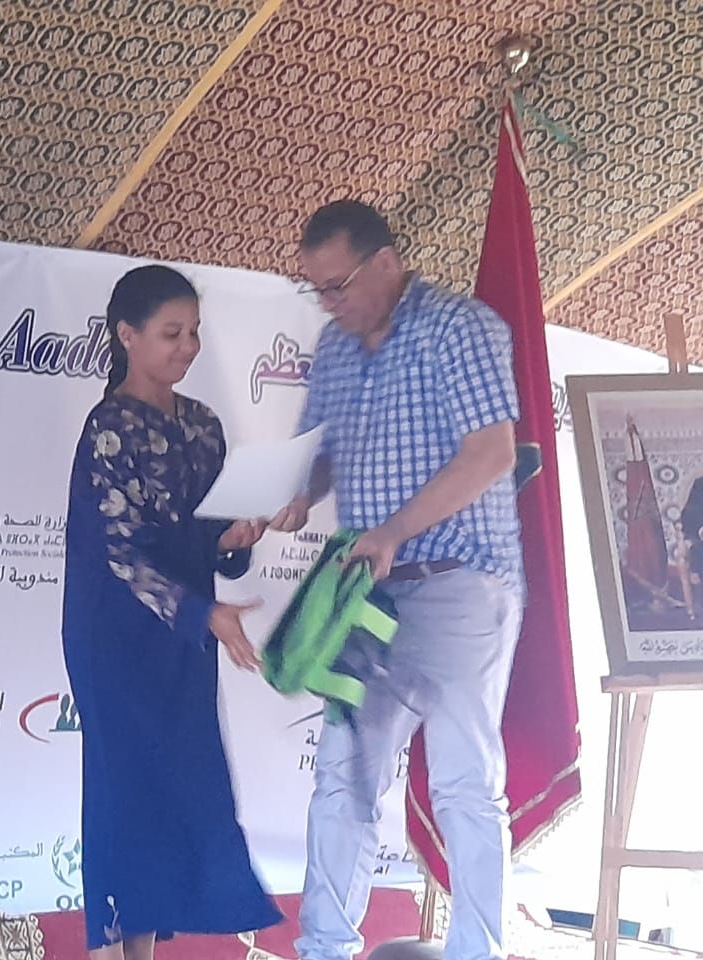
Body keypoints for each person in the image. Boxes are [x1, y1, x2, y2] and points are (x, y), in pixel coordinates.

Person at [270, 200, 523, 960]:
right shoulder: (334, 348)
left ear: (386, 262)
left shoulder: (459, 328)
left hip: (458, 583)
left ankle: (477, 951)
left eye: (339, 284)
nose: (328, 302)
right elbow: (319, 455)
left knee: (463, 783)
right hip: (367, 593)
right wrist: (292, 496)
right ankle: (324, 948)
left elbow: (491, 454)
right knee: (343, 775)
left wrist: (393, 531)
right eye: (315, 288)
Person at [62, 264, 283, 959]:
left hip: (187, 635)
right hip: (117, 638)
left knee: (184, 789)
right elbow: (119, 551)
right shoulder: (109, 426)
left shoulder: (204, 425)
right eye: (171, 333)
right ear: (126, 335)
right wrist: (199, 612)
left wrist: (235, 539)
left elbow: (208, 535)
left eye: (193, 332)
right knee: (125, 793)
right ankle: (109, 951)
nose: (187, 347)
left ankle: (146, 950)